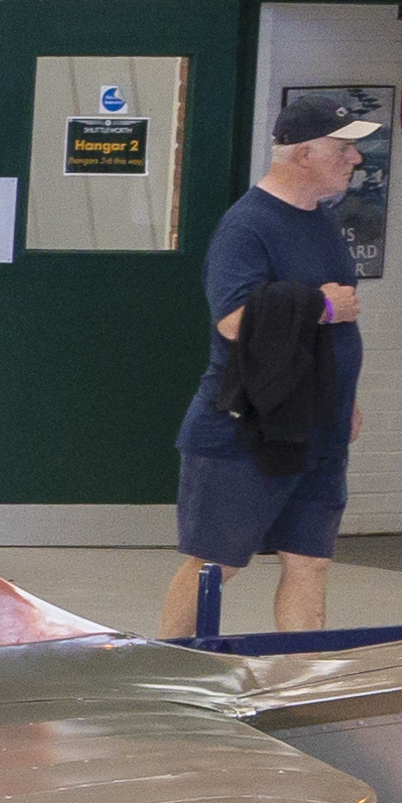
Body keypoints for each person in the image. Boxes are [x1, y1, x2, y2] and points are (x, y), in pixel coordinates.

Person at [165, 122, 371, 638]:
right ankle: (164, 671)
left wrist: (346, 397)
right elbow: (233, 320)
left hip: (316, 424)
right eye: (343, 149)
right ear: (304, 152)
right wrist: (321, 306)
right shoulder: (247, 227)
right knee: (217, 564)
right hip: (245, 427)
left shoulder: (320, 219)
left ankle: (301, 684)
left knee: (310, 560)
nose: (356, 160)